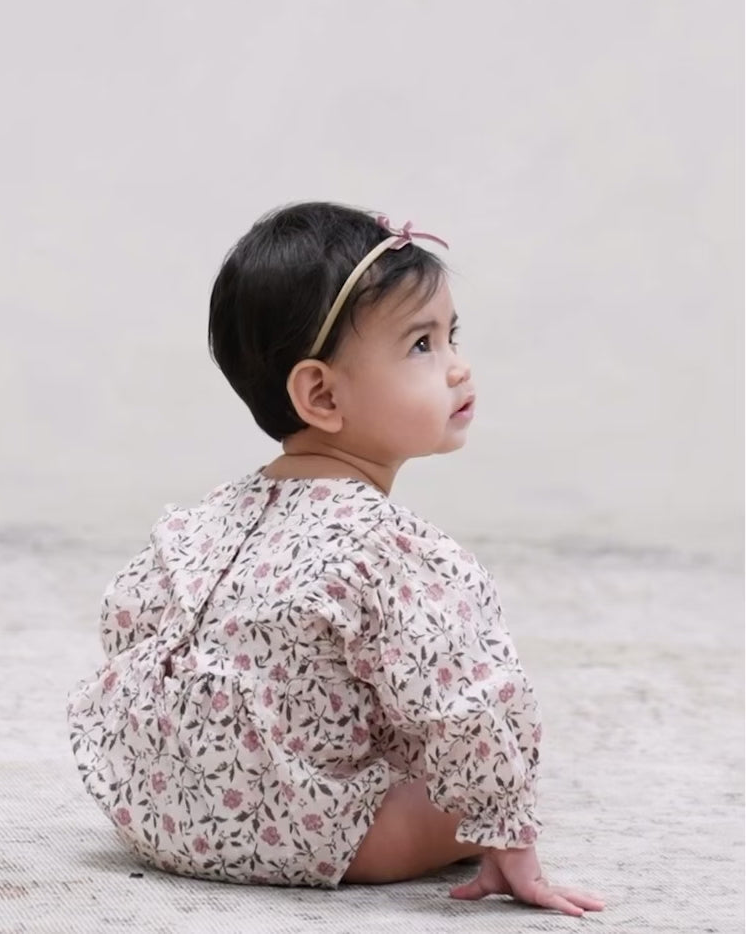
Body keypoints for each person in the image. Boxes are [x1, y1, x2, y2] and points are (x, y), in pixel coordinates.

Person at [67, 202, 604, 917]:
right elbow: (464, 701)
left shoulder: (199, 524)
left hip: (156, 814)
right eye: (422, 345)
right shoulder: (390, 548)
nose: (458, 366)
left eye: (451, 336)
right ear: (321, 394)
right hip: (309, 833)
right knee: (486, 794)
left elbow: (130, 625)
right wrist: (506, 827)